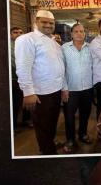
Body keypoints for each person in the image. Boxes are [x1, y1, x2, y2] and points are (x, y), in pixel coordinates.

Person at [15, 10, 65, 155]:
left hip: (55, 90)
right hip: (40, 92)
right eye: (44, 22)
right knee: (42, 125)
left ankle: (50, 142)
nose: (48, 25)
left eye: (51, 23)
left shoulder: (53, 42)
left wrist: (62, 88)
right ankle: (47, 152)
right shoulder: (27, 39)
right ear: (36, 22)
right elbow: (23, 67)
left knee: (52, 121)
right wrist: (28, 92)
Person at [61, 23, 93, 153]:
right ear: (71, 34)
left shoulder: (90, 48)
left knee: (85, 114)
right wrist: (64, 88)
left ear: (85, 33)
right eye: (76, 31)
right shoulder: (64, 48)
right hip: (71, 89)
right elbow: (61, 69)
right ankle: (70, 139)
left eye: (82, 31)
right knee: (69, 116)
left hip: (88, 88)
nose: (79, 34)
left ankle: (83, 134)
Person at [10, 26, 28, 133]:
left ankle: (26, 120)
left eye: (21, 32)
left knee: (26, 100)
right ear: (11, 34)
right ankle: (14, 125)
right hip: (14, 80)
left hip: (26, 79)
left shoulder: (25, 45)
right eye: (15, 32)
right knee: (16, 103)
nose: (18, 34)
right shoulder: (9, 46)